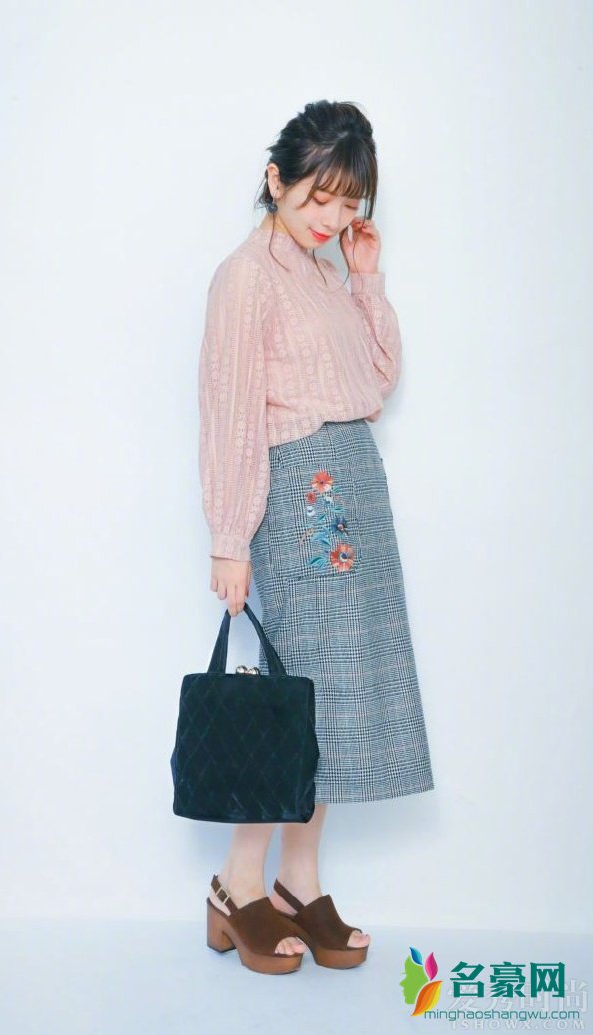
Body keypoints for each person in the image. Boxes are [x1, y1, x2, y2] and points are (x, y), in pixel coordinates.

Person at [197, 100, 435, 975]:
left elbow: (377, 379)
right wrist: (230, 536)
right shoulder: (245, 277)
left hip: (353, 483)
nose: (332, 218)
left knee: (331, 700)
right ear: (277, 179)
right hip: (302, 494)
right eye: (317, 198)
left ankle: (298, 881)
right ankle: (238, 884)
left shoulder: (326, 271)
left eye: (347, 202)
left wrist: (365, 277)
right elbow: (228, 411)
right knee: (294, 698)